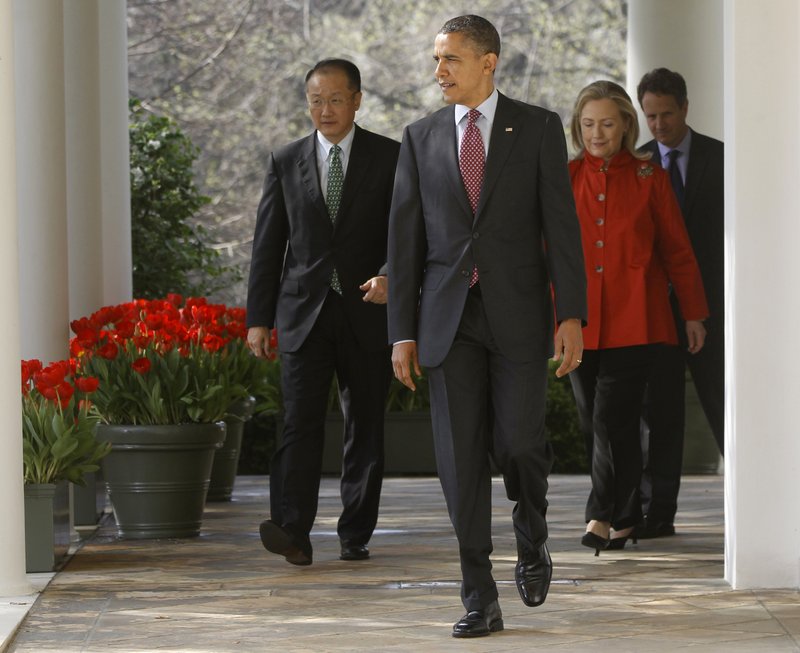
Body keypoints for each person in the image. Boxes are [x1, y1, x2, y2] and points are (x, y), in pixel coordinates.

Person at [388, 15, 587, 639]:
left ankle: (532, 536)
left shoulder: (537, 127)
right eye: (437, 60)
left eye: (451, 59)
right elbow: (406, 240)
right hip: (448, 320)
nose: (439, 71)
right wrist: (401, 330)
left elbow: (562, 227)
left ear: (488, 62)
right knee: (459, 460)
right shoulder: (419, 137)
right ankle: (479, 594)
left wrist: (571, 314)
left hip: (520, 316)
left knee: (521, 442)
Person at [246, 59, 400, 566]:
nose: (325, 109)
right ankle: (293, 530)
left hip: (366, 309)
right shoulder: (285, 160)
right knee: (299, 425)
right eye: (316, 99)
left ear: (357, 99)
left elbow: (410, 234)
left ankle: (355, 531)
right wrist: (258, 318)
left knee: (365, 427)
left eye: (335, 98)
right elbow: (268, 246)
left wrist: (391, 274)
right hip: (302, 314)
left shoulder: (391, 157)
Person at [566, 80, 709, 555]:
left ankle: (601, 513)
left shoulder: (651, 178)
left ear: (626, 124)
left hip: (637, 322)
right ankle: (627, 518)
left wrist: (693, 314)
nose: (597, 133)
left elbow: (678, 253)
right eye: (588, 124)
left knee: (611, 418)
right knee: (598, 423)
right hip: (579, 324)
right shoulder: (565, 178)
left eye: (607, 123)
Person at [636, 68, 725, 540]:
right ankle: (658, 515)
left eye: (666, 114)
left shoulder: (722, 158)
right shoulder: (640, 165)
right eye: (650, 116)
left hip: (715, 307)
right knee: (661, 414)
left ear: (685, 108)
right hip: (658, 312)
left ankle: (756, 502)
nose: (659, 125)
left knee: (725, 403)